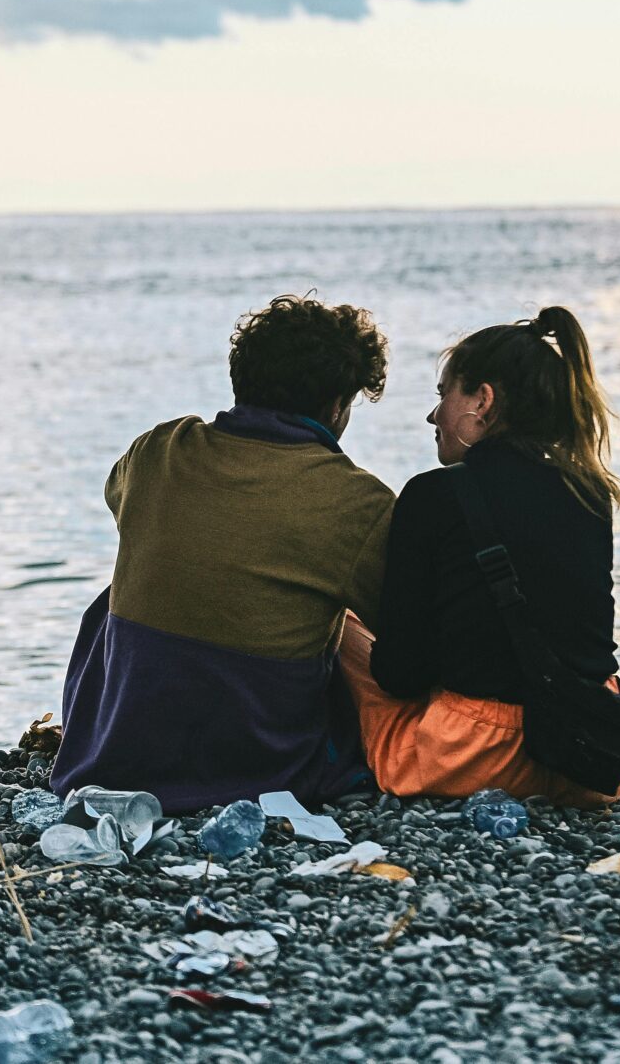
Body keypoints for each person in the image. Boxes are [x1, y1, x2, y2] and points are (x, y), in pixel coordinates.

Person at [51, 294, 396, 811]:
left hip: (115, 757)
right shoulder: (359, 501)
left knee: (127, 593)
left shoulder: (158, 449)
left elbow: (122, 504)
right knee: (343, 624)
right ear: (335, 407)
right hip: (261, 766)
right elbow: (402, 627)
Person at [339, 306, 620, 805]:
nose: (434, 415)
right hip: (591, 756)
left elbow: (399, 674)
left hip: (471, 756)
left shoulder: (432, 495)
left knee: (339, 626)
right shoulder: (589, 492)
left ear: (483, 400)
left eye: (443, 395)